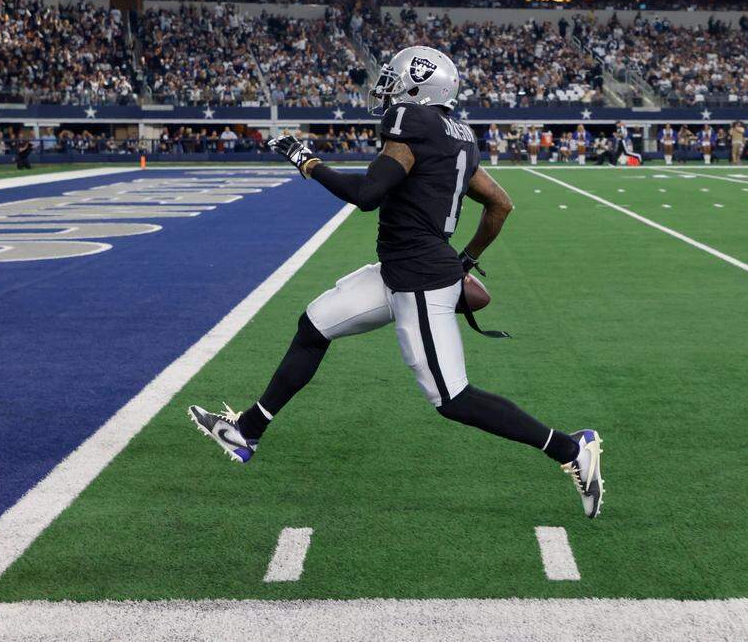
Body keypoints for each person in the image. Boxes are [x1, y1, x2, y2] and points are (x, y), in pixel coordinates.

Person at [188, 45, 604, 519]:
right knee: (314, 327)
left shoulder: (412, 123)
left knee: (453, 399)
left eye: (394, 79)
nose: (386, 88)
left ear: (418, 86)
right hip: (401, 271)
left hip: (419, 284)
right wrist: (466, 258)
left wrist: (307, 162)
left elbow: (367, 196)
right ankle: (249, 430)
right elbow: (500, 204)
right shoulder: (459, 135)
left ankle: (571, 450)